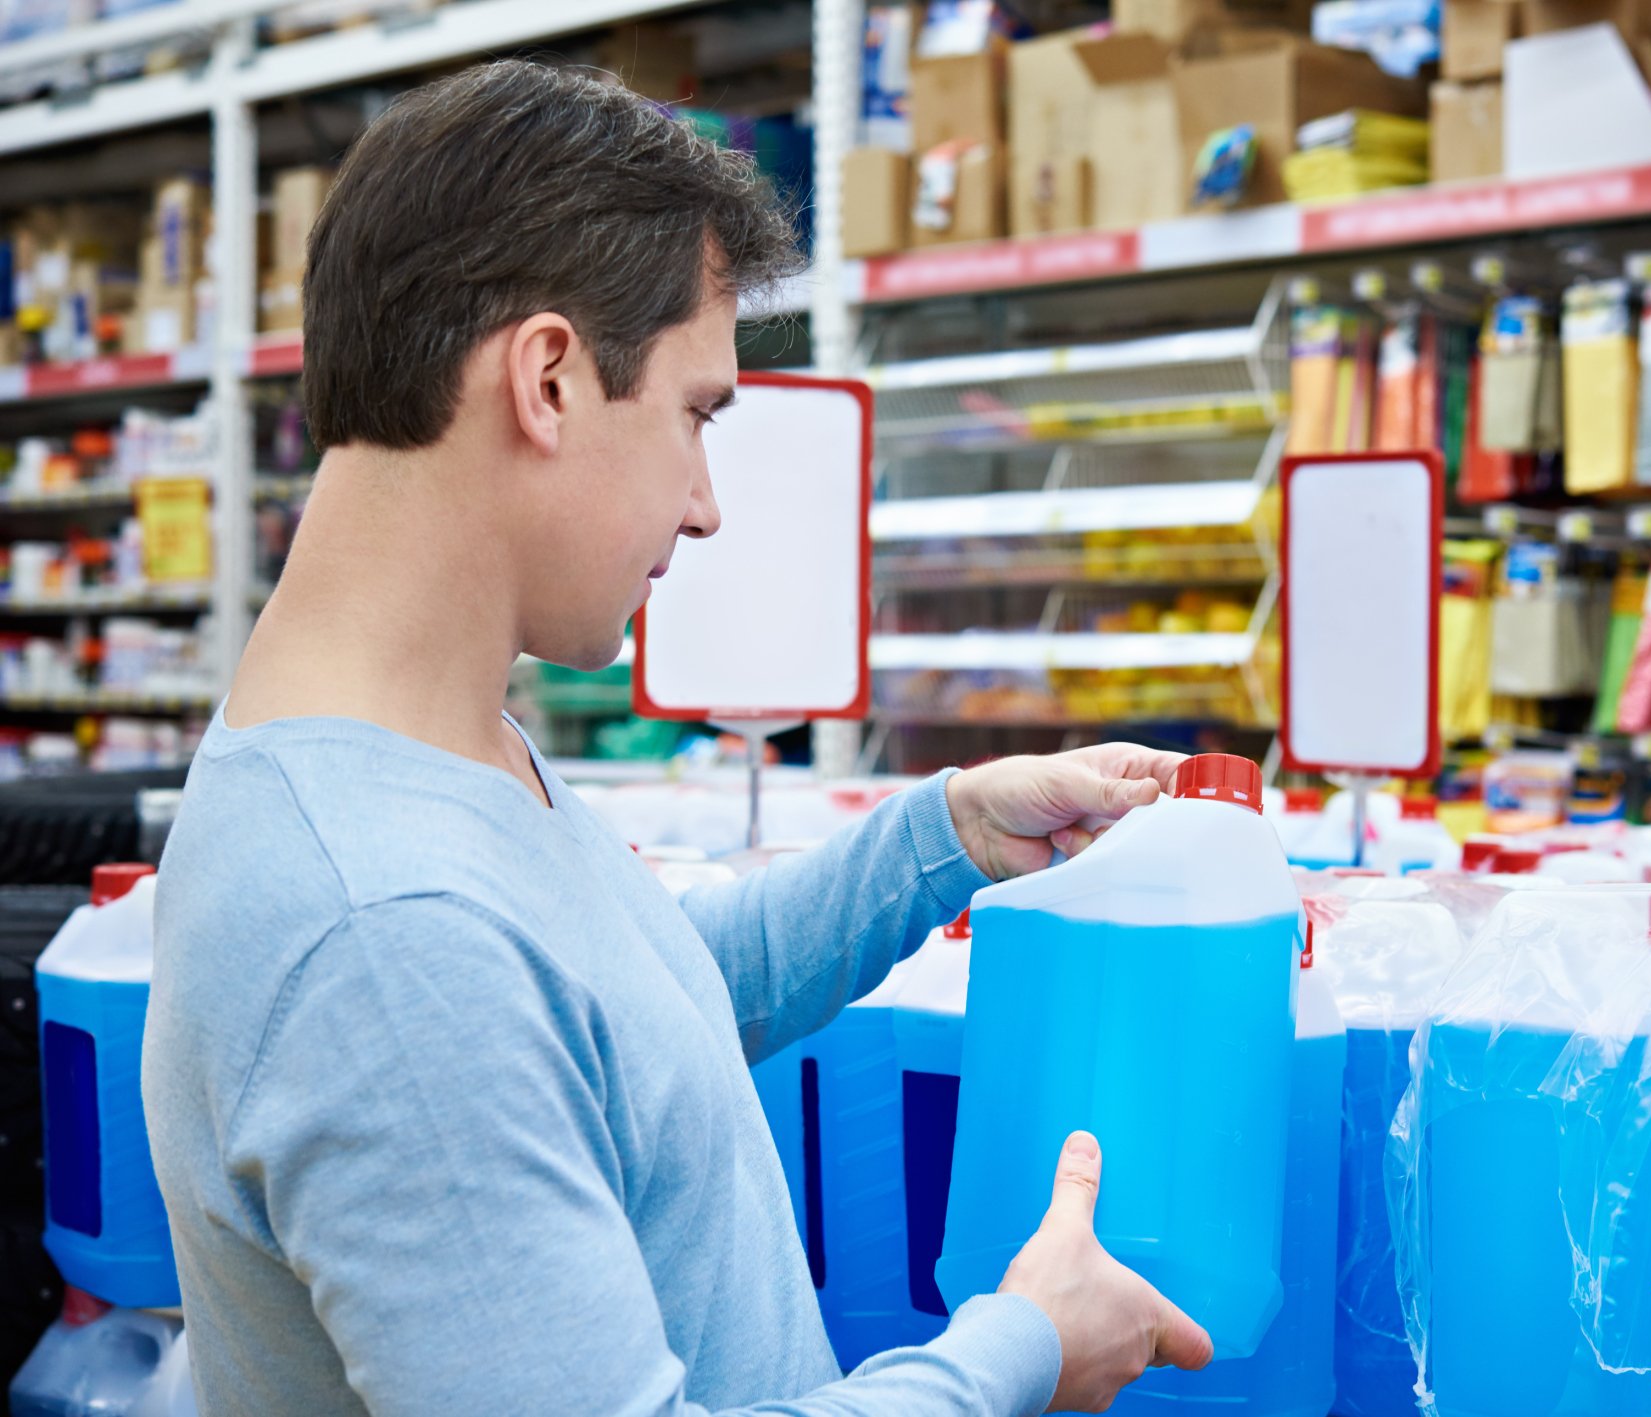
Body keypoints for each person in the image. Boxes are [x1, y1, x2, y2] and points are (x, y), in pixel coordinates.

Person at [141, 60, 1211, 1417]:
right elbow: (471, 1011)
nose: (706, 507)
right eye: (696, 415)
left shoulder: (413, 751)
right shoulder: (384, 932)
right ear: (549, 378)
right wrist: (1017, 1350)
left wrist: (942, 837)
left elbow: (620, 1020)